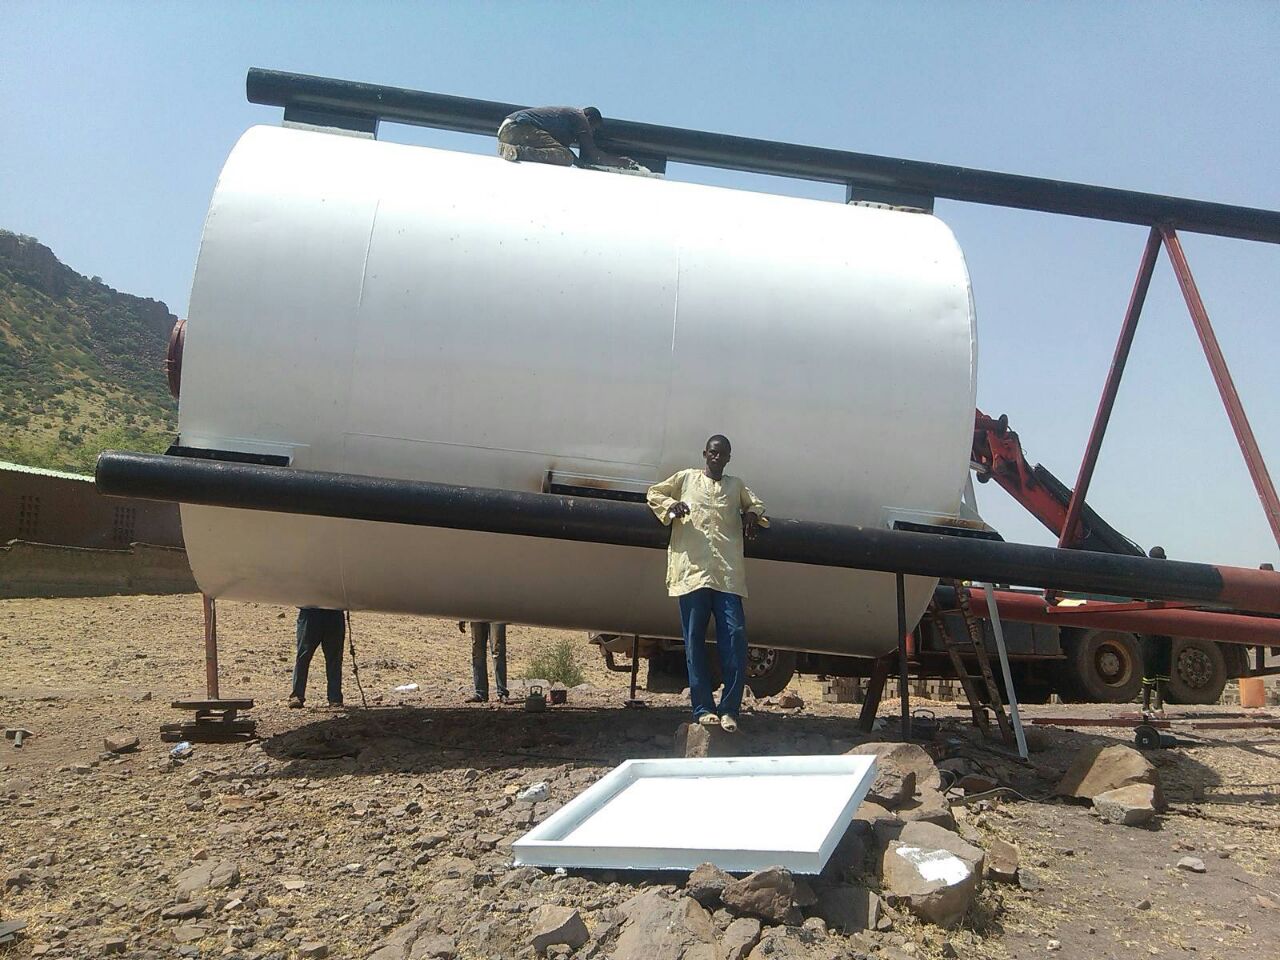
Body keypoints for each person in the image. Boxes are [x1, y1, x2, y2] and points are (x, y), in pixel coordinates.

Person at [647, 435, 767, 733]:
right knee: (694, 642)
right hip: (693, 573)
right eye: (712, 452)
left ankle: (729, 710)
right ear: (705, 454)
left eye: (722, 454)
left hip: (727, 576)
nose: (716, 457)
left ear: (728, 458)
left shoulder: (735, 486)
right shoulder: (686, 479)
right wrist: (672, 506)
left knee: (735, 638)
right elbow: (654, 493)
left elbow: (756, 504)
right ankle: (702, 709)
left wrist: (752, 515)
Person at [496, 105, 638, 169]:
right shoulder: (579, 117)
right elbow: (591, 154)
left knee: (564, 156)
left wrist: (583, 165)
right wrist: (620, 162)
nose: (591, 133)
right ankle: (515, 151)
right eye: (592, 128)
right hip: (518, 128)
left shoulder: (565, 124)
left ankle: (514, 149)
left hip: (509, 130)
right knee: (565, 158)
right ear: (588, 118)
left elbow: (567, 154)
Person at [288, 607, 345, 708]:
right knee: (303, 657)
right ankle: (297, 695)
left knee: (334, 658)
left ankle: (335, 698)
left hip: (334, 614)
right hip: (310, 613)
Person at [1140, 545, 1174, 713]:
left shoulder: (1145, 578)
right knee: (1162, 667)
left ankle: (1147, 705)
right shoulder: (1170, 578)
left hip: (1150, 627)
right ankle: (1157, 705)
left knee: (1150, 667)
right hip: (1164, 626)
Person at [461, 621, 510, 703]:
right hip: (476, 614)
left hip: (497, 614)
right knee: (477, 651)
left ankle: (502, 692)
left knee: (497, 649)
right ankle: (480, 692)